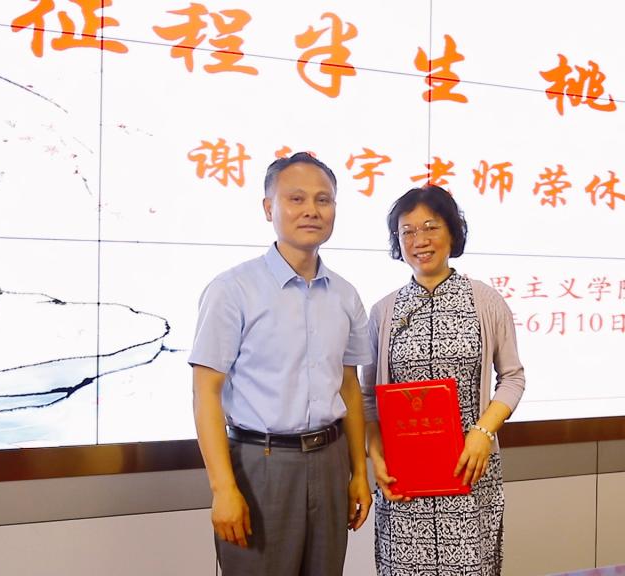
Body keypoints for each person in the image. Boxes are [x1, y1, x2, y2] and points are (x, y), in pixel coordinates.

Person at [188, 152, 372, 575]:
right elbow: (205, 393)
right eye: (296, 198)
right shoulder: (232, 289)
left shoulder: (345, 295)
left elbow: (348, 387)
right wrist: (223, 489)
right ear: (269, 207)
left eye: (323, 200)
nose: (311, 210)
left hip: (330, 461)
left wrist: (358, 472)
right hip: (261, 464)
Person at [361, 185, 526, 576]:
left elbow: (513, 378)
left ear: (452, 232)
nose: (419, 240)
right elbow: (368, 397)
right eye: (407, 231)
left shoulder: (485, 301)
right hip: (405, 482)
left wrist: (483, 432)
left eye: (430, 227)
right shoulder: (384, 312)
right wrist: (376, 454)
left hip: (469, 472)